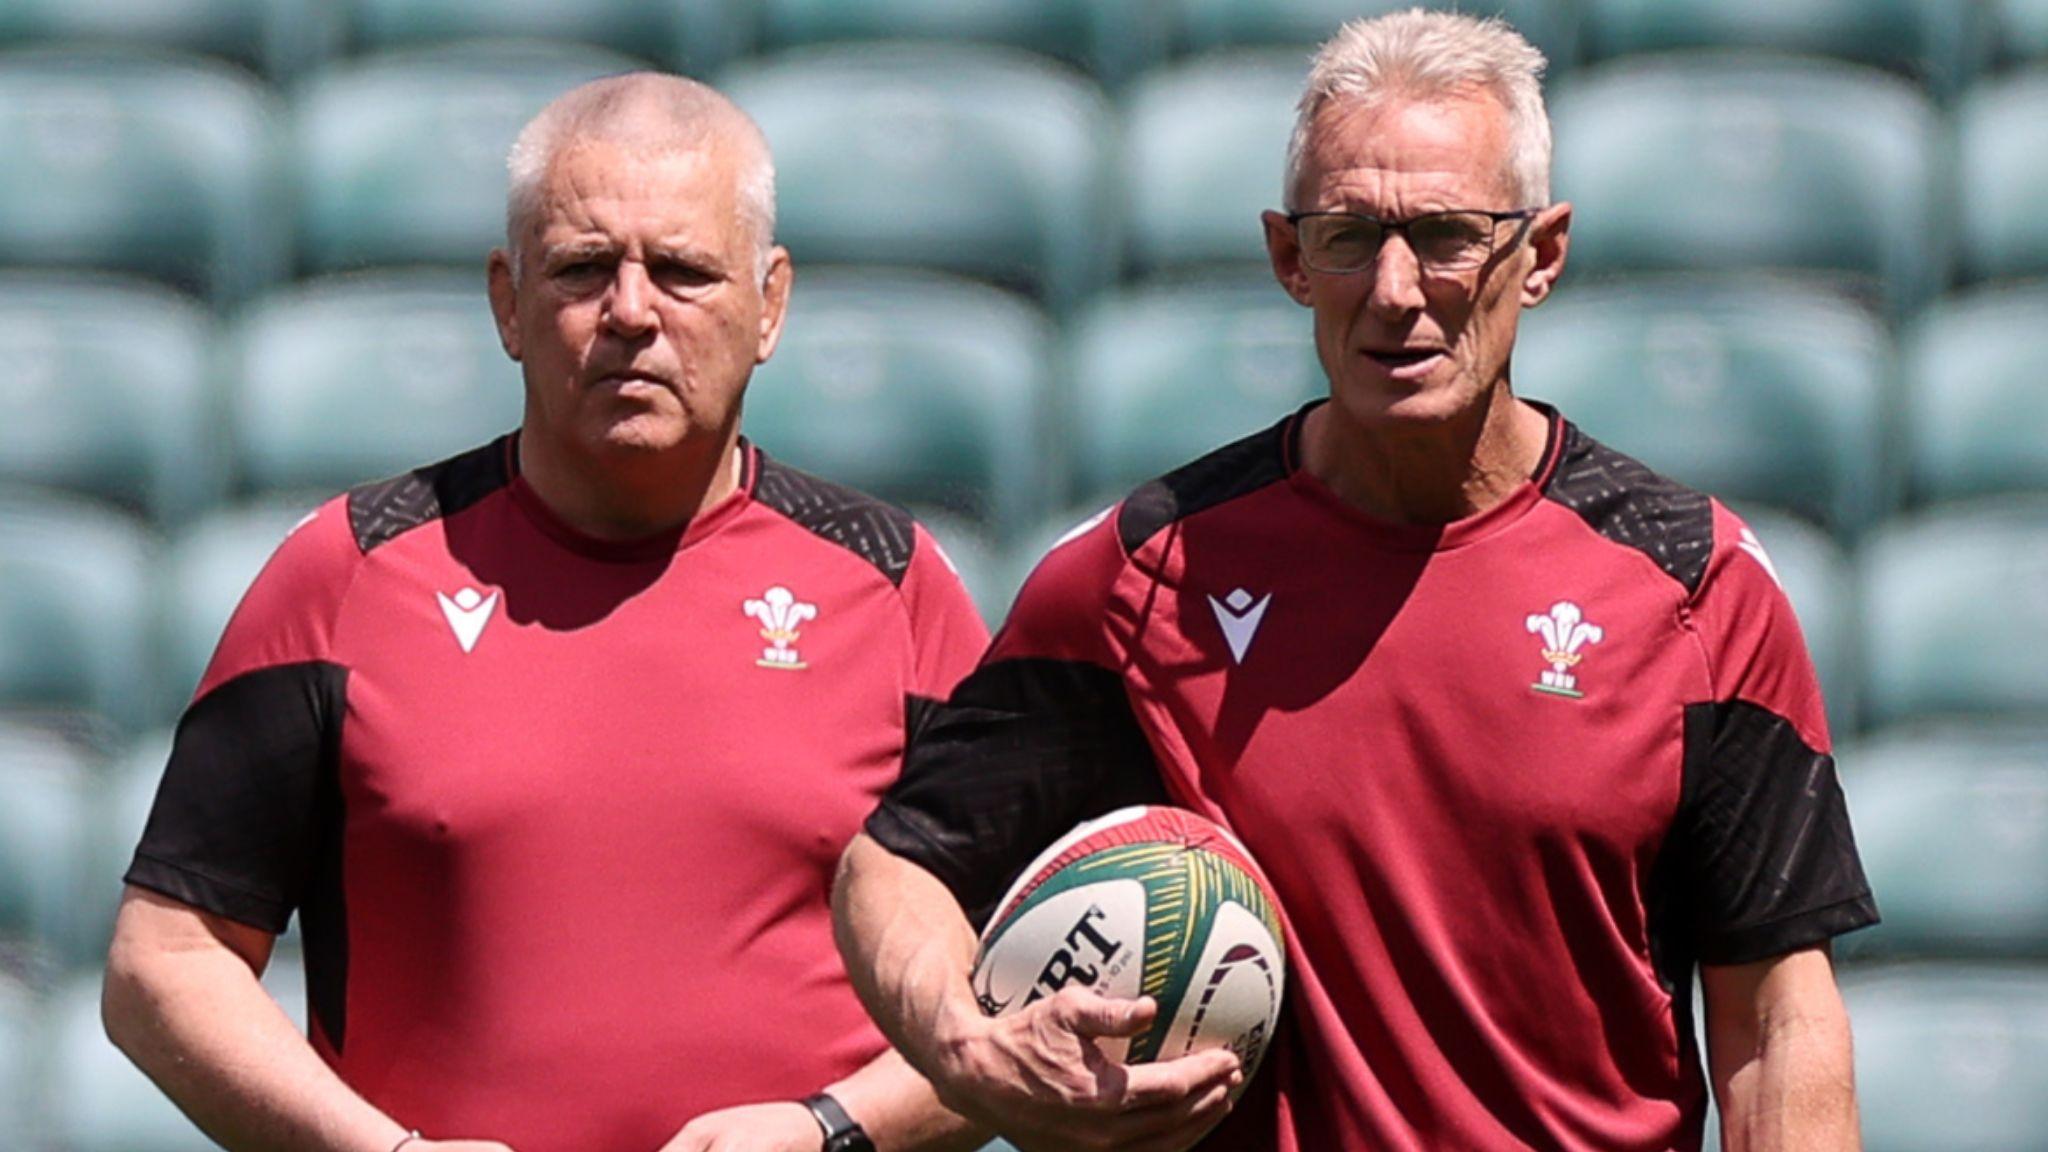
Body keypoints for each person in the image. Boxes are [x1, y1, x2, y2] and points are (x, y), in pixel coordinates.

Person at [832, 11, 1878, 1152]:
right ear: (1288, 259)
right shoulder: (1147, 573)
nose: (1392, 288)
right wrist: (966, 1048)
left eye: (1445, 234)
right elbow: (893, 867)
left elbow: (1775, 1020)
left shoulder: (1697, 583)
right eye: (1347, 237)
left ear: (1539, 255)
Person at [104, 73, 991, 1152]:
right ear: (506, 302)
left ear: (769, 305)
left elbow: (1007, 994)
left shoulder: (896, 589)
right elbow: (167, 961)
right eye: (582, 269)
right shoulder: (343, 576)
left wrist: (832, 1133)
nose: (631, 311)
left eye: (682, 271)